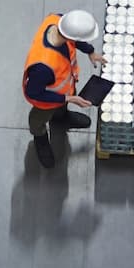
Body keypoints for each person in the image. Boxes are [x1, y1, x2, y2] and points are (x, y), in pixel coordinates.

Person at [22, 10, 104, 168]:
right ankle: (40, 139)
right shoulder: (43, 66)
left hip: (63, 87)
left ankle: (60, 118)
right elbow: (34, 93)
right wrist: (67, 98)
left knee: (60, 108)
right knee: (38, 120)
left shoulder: (57, 19)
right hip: (46, 101)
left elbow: (74, 39)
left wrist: (90, 51)